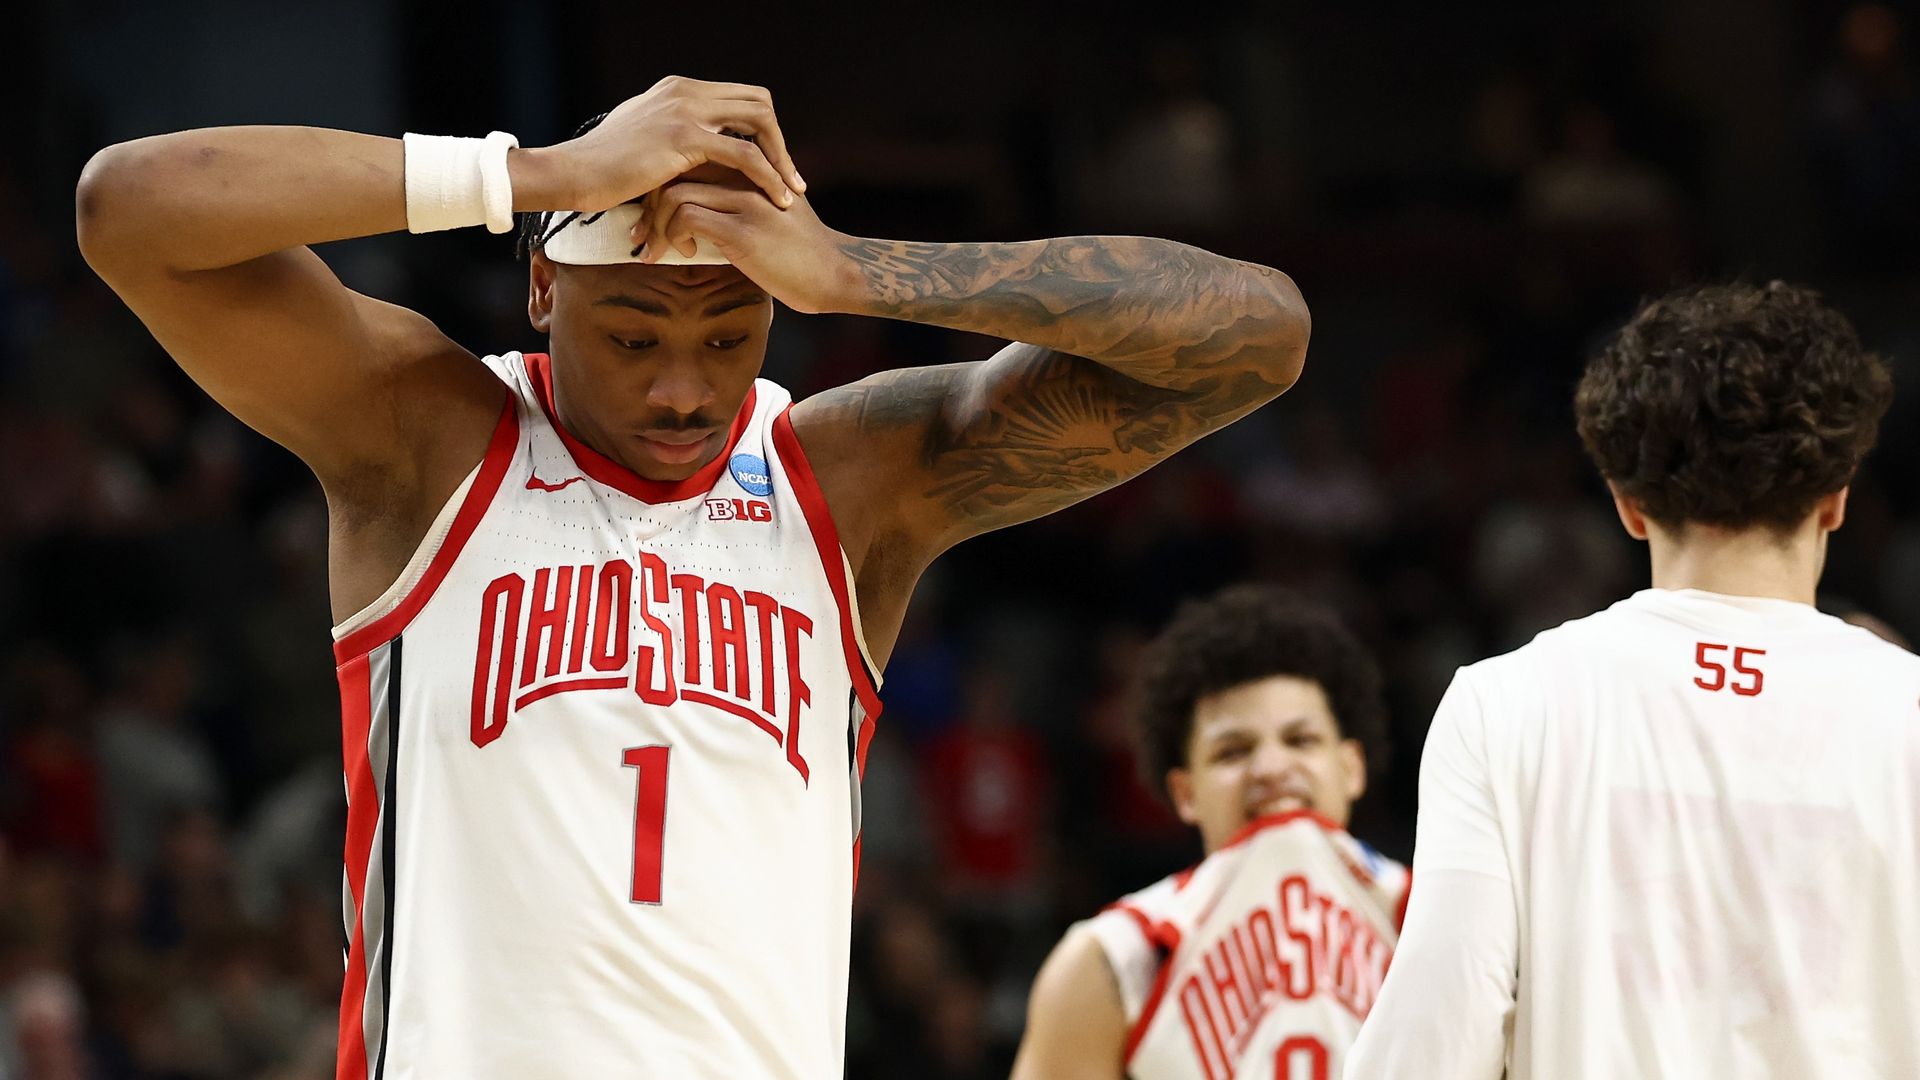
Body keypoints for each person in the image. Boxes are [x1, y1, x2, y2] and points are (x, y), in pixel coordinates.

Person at [74, 77, 1309, 1079]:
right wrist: (538, 173)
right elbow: (130, 208)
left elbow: (1260, 336)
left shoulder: (851, 480)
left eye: (730, 336)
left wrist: (860, 270)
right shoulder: (428, 438)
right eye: (633, 338)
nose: (682, 389)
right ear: (545, 285)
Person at [1346, 281, 1918, 1079]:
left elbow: (1435, 1036)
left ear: (1626, 503)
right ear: (1837, 498)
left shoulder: (1509, 704)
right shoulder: (1909, 713)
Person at [1011, 586, 1406, 1080]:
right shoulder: (1111, 961)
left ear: (1351, 768)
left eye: (1300, 740)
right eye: (1232, 751)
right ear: (1185, 792)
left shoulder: (1441, 920)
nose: (1270, 766)